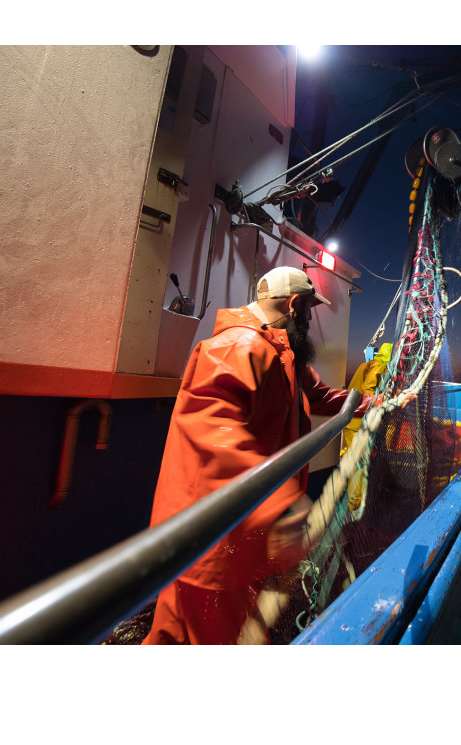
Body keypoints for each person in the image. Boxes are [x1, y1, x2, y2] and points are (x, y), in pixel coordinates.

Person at [143, 266, 375, 645]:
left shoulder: (281, 352)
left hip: (223, 528)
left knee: (173, 637)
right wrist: (283, 505)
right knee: (228, 641)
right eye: (308, 312)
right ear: (294, 305)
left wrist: (371, 403)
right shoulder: (237, 347)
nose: (309, 322)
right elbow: (212, 436)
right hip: (215, 537)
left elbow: (319, 395)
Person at [340, 342, 393, 457]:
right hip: (357, 423)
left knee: (353, 456)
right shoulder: (378, 365)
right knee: (358, 459)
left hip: (352, 419)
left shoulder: (366, 364)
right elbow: (367, 390)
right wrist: (383, 399)